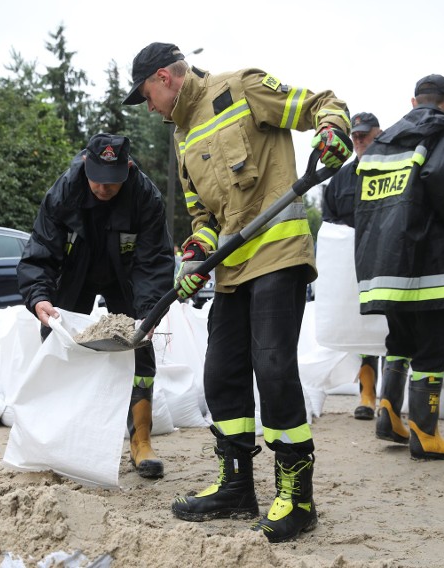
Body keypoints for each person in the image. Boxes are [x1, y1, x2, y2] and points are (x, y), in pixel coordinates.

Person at [123, 42, 352, 542]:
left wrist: (334, 131)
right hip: (230, 269)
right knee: (221, 374)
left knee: (272, 366)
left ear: (164, 78)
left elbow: (321, 105)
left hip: (278, 255)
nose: (150, 108)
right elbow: (204, 217)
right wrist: (194, 258)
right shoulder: (183, 138)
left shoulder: (242, 87)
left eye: (146, 96)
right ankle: (236, 485)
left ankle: (297, 493)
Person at [17, 133, 174, 479]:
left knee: (140, 347)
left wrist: (149, 311)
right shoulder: (65, 191)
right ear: (86, 164)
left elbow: (155, 260)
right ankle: (58, 436)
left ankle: (141, 441)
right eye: (98, 182)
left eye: (113, 183)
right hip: (77, 271)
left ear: (128, 168)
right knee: (58, 343)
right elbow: (41, 249)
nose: (103, 189)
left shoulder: (145, 197)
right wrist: (38, 296)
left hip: (127, 274)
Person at [354, 74, 444, 460]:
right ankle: (425, 433)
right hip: (427, 259)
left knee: (400, 339)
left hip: (383, 265)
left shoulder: (383, 142)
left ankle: (388, 415)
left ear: (413, 102)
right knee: (434, 343)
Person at [321, 111, 384, 420]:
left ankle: (391, 402)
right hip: (351, 268)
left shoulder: (392, 169)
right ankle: (367, 396)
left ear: (378, 133)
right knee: (363, 330)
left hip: (387, 263)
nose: (359, 140)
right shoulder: (342, 179)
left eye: (364, 134)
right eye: (356, 135)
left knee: (390, 329)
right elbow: (329, 224)